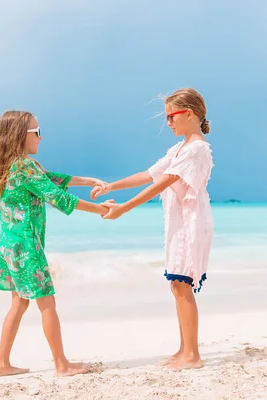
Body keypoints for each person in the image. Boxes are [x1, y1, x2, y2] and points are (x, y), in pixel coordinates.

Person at [92, 88, 214, 370]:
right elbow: (149, 175)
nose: (168, 123)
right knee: (176, 284)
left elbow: (163, 183)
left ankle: (192, 355)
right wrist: (111, 186)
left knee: (183, 285)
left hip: (190, 223)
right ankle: (184, 349)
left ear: (190, 114)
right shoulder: (179, 148)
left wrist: (125, 208)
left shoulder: (197, 149)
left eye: (171, 116)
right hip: (178, 223)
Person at [0, 110, 107, 377]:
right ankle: (61, 363)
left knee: (19, 303)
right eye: (37, 132)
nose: (42, 137)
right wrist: (102, 210)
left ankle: (1, 364)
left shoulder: (13, 165)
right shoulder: (24, 166)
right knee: (47, 303)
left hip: (9, 247)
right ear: (20, 135)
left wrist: (89, 180)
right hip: (27, 247)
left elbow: (52, 179)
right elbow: (59, 198)